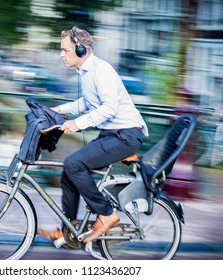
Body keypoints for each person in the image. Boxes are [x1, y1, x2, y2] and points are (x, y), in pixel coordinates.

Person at [38, 26, 148, 245]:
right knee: (69, 171)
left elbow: (109, 108)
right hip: (112, 134)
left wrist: (78, 124)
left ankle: (107, 215)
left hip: (127, 134)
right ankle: (68, 230)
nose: (61, 54)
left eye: (65, 50)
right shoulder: (87, 72)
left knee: (73, 164)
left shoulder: (101, 70)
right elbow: (87, 103)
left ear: (81, 50)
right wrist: (58, 110)